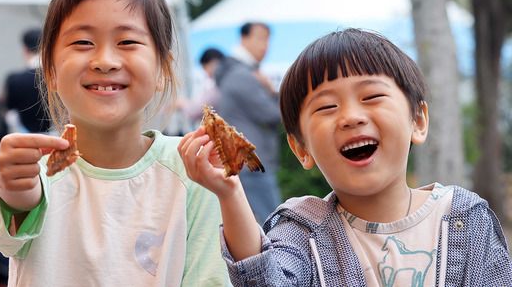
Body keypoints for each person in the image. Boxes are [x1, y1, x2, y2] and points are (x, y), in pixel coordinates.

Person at [179, 28, 512, 286]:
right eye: (327, 107)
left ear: (418, 121)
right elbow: (264, 279)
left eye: (372, 96)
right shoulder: (302, 229)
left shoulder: (464, 218)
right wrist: (230, 192)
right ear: (301, 149)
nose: (351, 117)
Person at [0, 0, 229, 286]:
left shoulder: (193, 168)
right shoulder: (30, 165)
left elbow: (210, 278)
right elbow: (4, 237)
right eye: (83, 42)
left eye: (127, 42)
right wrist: (15, 193)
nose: (105, 60)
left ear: (162, 70)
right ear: (51, 71)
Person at [213, 22, 282, 223]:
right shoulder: (242, 75)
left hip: (245, 160)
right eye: (260, 38)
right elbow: (272, 113)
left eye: (268, 39)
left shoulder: (234, 72)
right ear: (243, 39)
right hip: (252, 162)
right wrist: (272, 92)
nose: (265, 45)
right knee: (273, 224)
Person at [2, 27, 51, 134]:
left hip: (25, 138)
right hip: (57, 138)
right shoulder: (56, 77)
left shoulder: (14, 80)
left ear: (25, 50)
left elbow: (10, 115)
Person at [176, 47, 224, 125]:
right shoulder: (229, 80)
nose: (206, 73)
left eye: (205, 68)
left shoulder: (217, 86)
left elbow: (196, 110)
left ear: (214, 63)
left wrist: (182, 103)